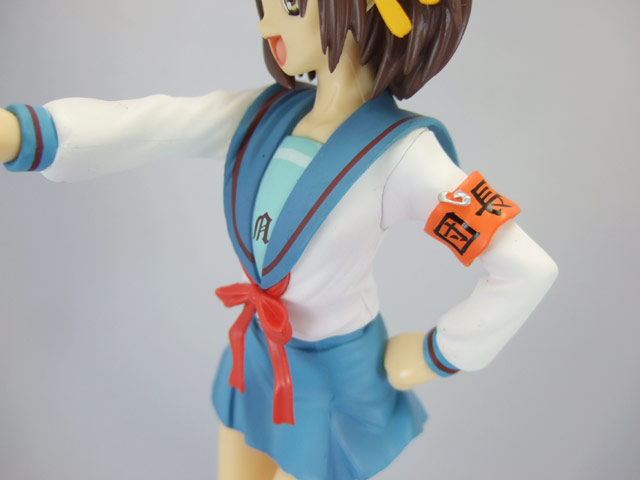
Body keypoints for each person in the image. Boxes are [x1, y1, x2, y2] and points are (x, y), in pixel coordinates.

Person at [0, 1, 558, 479]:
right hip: (258, 352)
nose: (268, 22)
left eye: (291, 3)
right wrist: (25, 134)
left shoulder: (405, 154)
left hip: (337, 376)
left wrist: (441, 352)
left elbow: (524, 267)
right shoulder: (265, 114)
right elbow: (157, 123)